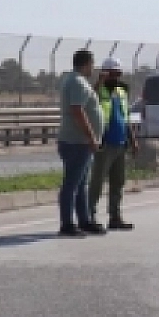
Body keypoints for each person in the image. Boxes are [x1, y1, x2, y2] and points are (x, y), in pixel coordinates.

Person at [56, 49, 105, 238]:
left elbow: (87, 100)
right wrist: (91, 136)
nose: (93, 67)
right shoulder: (76, 81)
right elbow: (77, 110)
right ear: (86, 64)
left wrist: (98, 84)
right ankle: (67, 224)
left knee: (81, 184)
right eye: (92, 64)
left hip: (80, 141)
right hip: (77, 141)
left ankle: (84, 221)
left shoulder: (77, 81)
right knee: (72, 184)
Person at [89, 58, 136, 231]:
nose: (117, 77)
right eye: (113, 73)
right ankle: (89, 216)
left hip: (120, 142)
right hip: (104, 143)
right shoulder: (98, 89)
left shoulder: (121, 91)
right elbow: (88, 100)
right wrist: (99, 81)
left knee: (118, 182)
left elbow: (125, 117)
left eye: (118, 73)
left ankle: (115, 216)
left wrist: (132, 140)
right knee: (97, 182)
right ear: (105, 73)